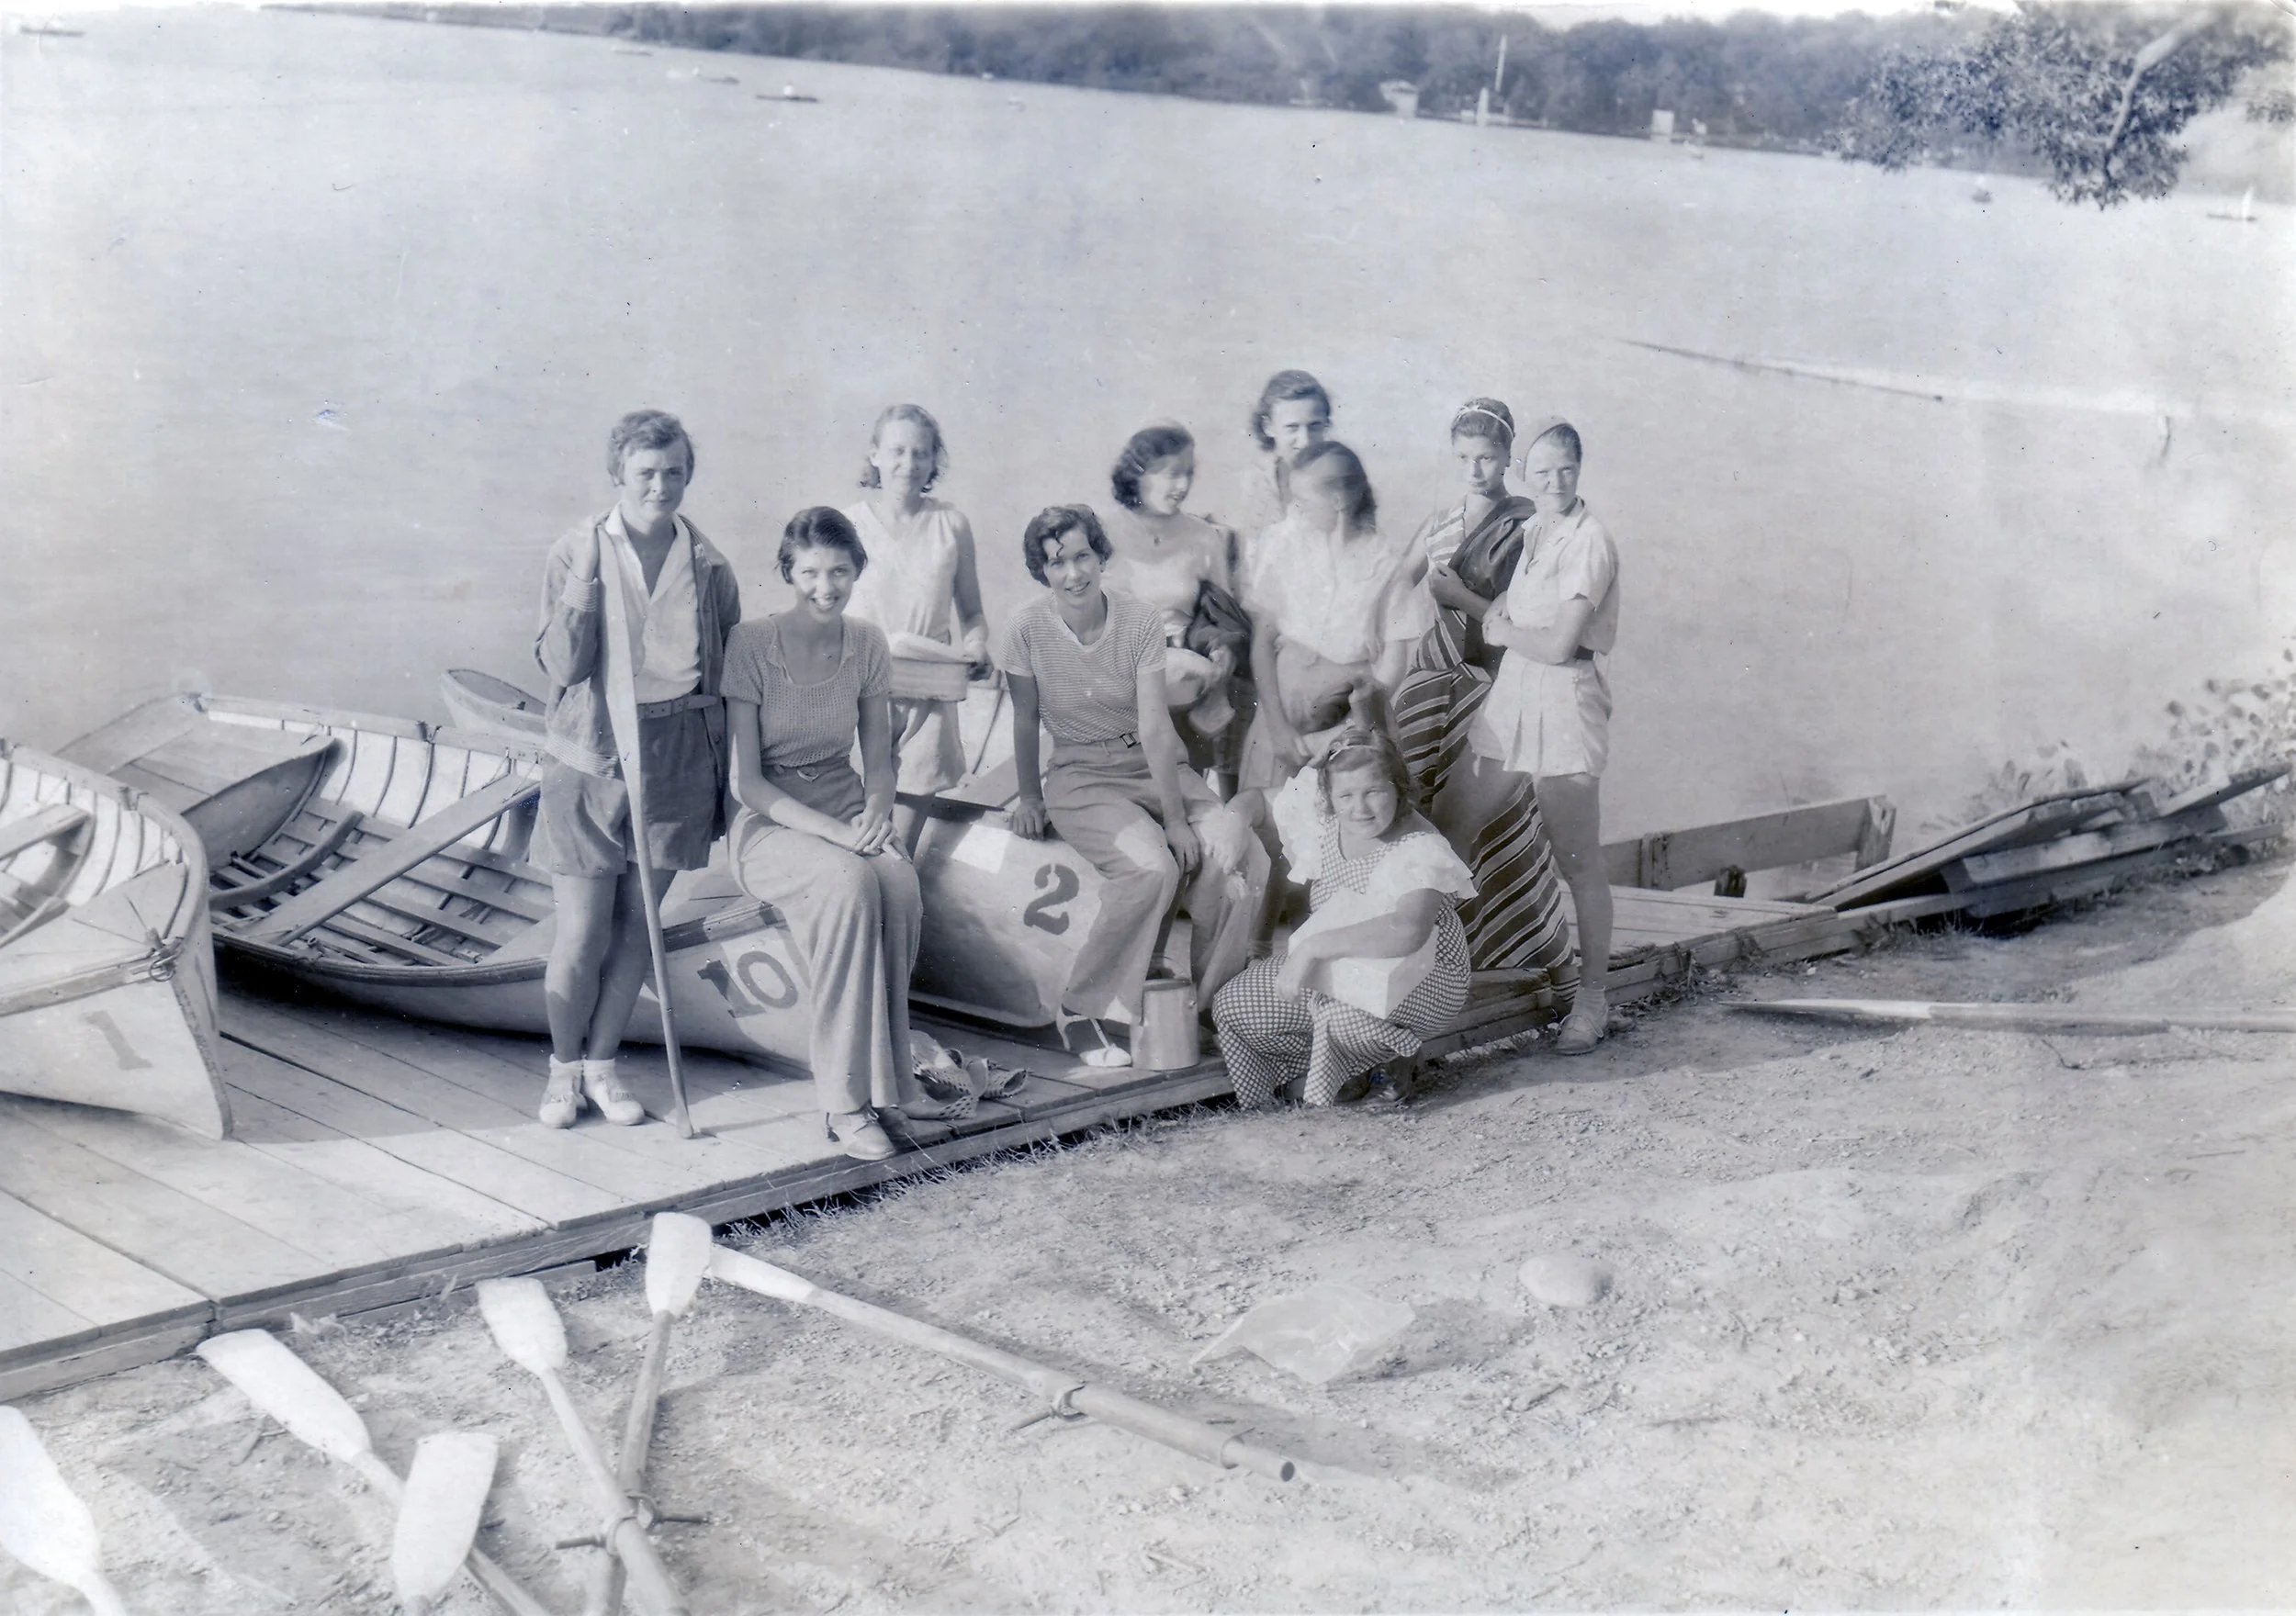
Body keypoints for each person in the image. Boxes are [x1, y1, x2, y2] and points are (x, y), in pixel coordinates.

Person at [532, 410, 741, 1128]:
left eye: (675, 471)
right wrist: (586, 582)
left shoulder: (709, 563)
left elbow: (726, 669)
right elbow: (560, 666)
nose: (662, 485)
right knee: (583, 931)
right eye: (647, 471)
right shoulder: (576, 549)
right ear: (618, 474)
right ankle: (562, 1075)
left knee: (637, 929)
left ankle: (602, 1068)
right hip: (591, 756)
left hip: (678, 753)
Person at [1002, 505, 1268, 1062]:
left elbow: (1153, 726)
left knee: (1238, 854)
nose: (1073, 573)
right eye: (1056, 563)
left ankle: (1214, 1009)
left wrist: (1176, 817)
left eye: (1081, 557)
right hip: (1081, 774)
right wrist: (1029, 796)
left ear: (1100, 556)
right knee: (1152, 870)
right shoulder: (1025, 629)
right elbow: (1025, 719)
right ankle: (1080, 1010)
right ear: (1042, 571)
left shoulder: (1139, 620)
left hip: (1151, 764)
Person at [723, 508, 922, 1161]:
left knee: (895, 877)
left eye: (839, 570)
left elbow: (880, 756)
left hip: (842, 797)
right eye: (810, 571)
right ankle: (841, 1102)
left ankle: (885, 1085)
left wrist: (878, 811)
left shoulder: (866, 643)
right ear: (788, 572)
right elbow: (747, 783)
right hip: (768, 820)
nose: (825, 585)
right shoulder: (752, 644)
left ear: (857, 570)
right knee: (847, 882)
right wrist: (838, 836)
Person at [1212, 686, 1475, 1107]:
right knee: (1233, 1005)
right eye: (1346, 796)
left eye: (1374, 791)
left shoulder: (1418, 846)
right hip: (1343, 965)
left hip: (1425, 976)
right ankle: (1324, 1078)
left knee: (1344, 1016)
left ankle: (1400, 1057)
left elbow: (1406, 932)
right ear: (1329, 799)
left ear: (1398, 788)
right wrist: (1233, 818)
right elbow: (1258, 801)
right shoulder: (1324, 823)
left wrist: (1311, 949)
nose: (1361, 809)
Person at [1392, 398, 1576, 982]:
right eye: (1464, 458)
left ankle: (1474, 957)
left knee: (1488, 826)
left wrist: (1460, 600)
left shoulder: (1525, 523)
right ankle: (1444, 956)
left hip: (1499, 683)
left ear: (1507, 460)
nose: (1475, 470)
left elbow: (1532, 618)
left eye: (1488, 459)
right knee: (1422, 814)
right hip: (1435, 679)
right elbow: (1392, 594)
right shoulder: (1438, 523)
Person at [1471, 419, 1621, 1054]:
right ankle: (1435, 980)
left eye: (1565, 470)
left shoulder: (1590, 541)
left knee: (1578, 860)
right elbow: (1507, 618)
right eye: (1542, 473)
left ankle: (1591, 999)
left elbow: (1560, 644)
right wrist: (1497, 624)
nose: (1555, 482)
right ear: (1525, 476)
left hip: (1564, 699)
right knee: (1458, 827)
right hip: (1513, 697)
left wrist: (1503, 633)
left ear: (1579, 470)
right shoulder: (1534, 529)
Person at [1237, 441, 1429, 792]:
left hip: (1347, 722)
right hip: (1277, 712)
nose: (1295, 509)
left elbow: (1391, 667)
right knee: (1264, 815)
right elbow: (1262, 643)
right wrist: (1278, 728)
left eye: (1304, 500)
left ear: (1339, 501)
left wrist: (1338, 734)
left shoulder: (1386, 568)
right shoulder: (1288, 550)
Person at [841, 404, 990, 795]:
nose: (909, 463)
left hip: (929, 696)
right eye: (897, 451)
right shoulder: (847, 525)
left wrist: (975, 647)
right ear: (875, 455)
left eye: (920, 453)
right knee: (859, 832)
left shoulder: (952, 525)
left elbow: (972, 613)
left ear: (933, 461)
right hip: (859, 698)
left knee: (904, 842)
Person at [1103, 421, 1249, 787]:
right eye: (1171, 474)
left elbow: (1223, 615)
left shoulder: (1202, 536)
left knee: (1185, 790)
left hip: (1185, 683)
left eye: (1188, 474)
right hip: (1117, 677)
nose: (1182, 486)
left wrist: (1221, 648)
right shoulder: (1103, 531)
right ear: (1138, 474)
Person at [1230, 369, 1334, 556]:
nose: (1305, 441)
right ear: (1268, 427)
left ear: (1327, 424)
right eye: (1292, 428)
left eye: (1315, 426)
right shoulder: (1249, 483)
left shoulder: (1344, 481)